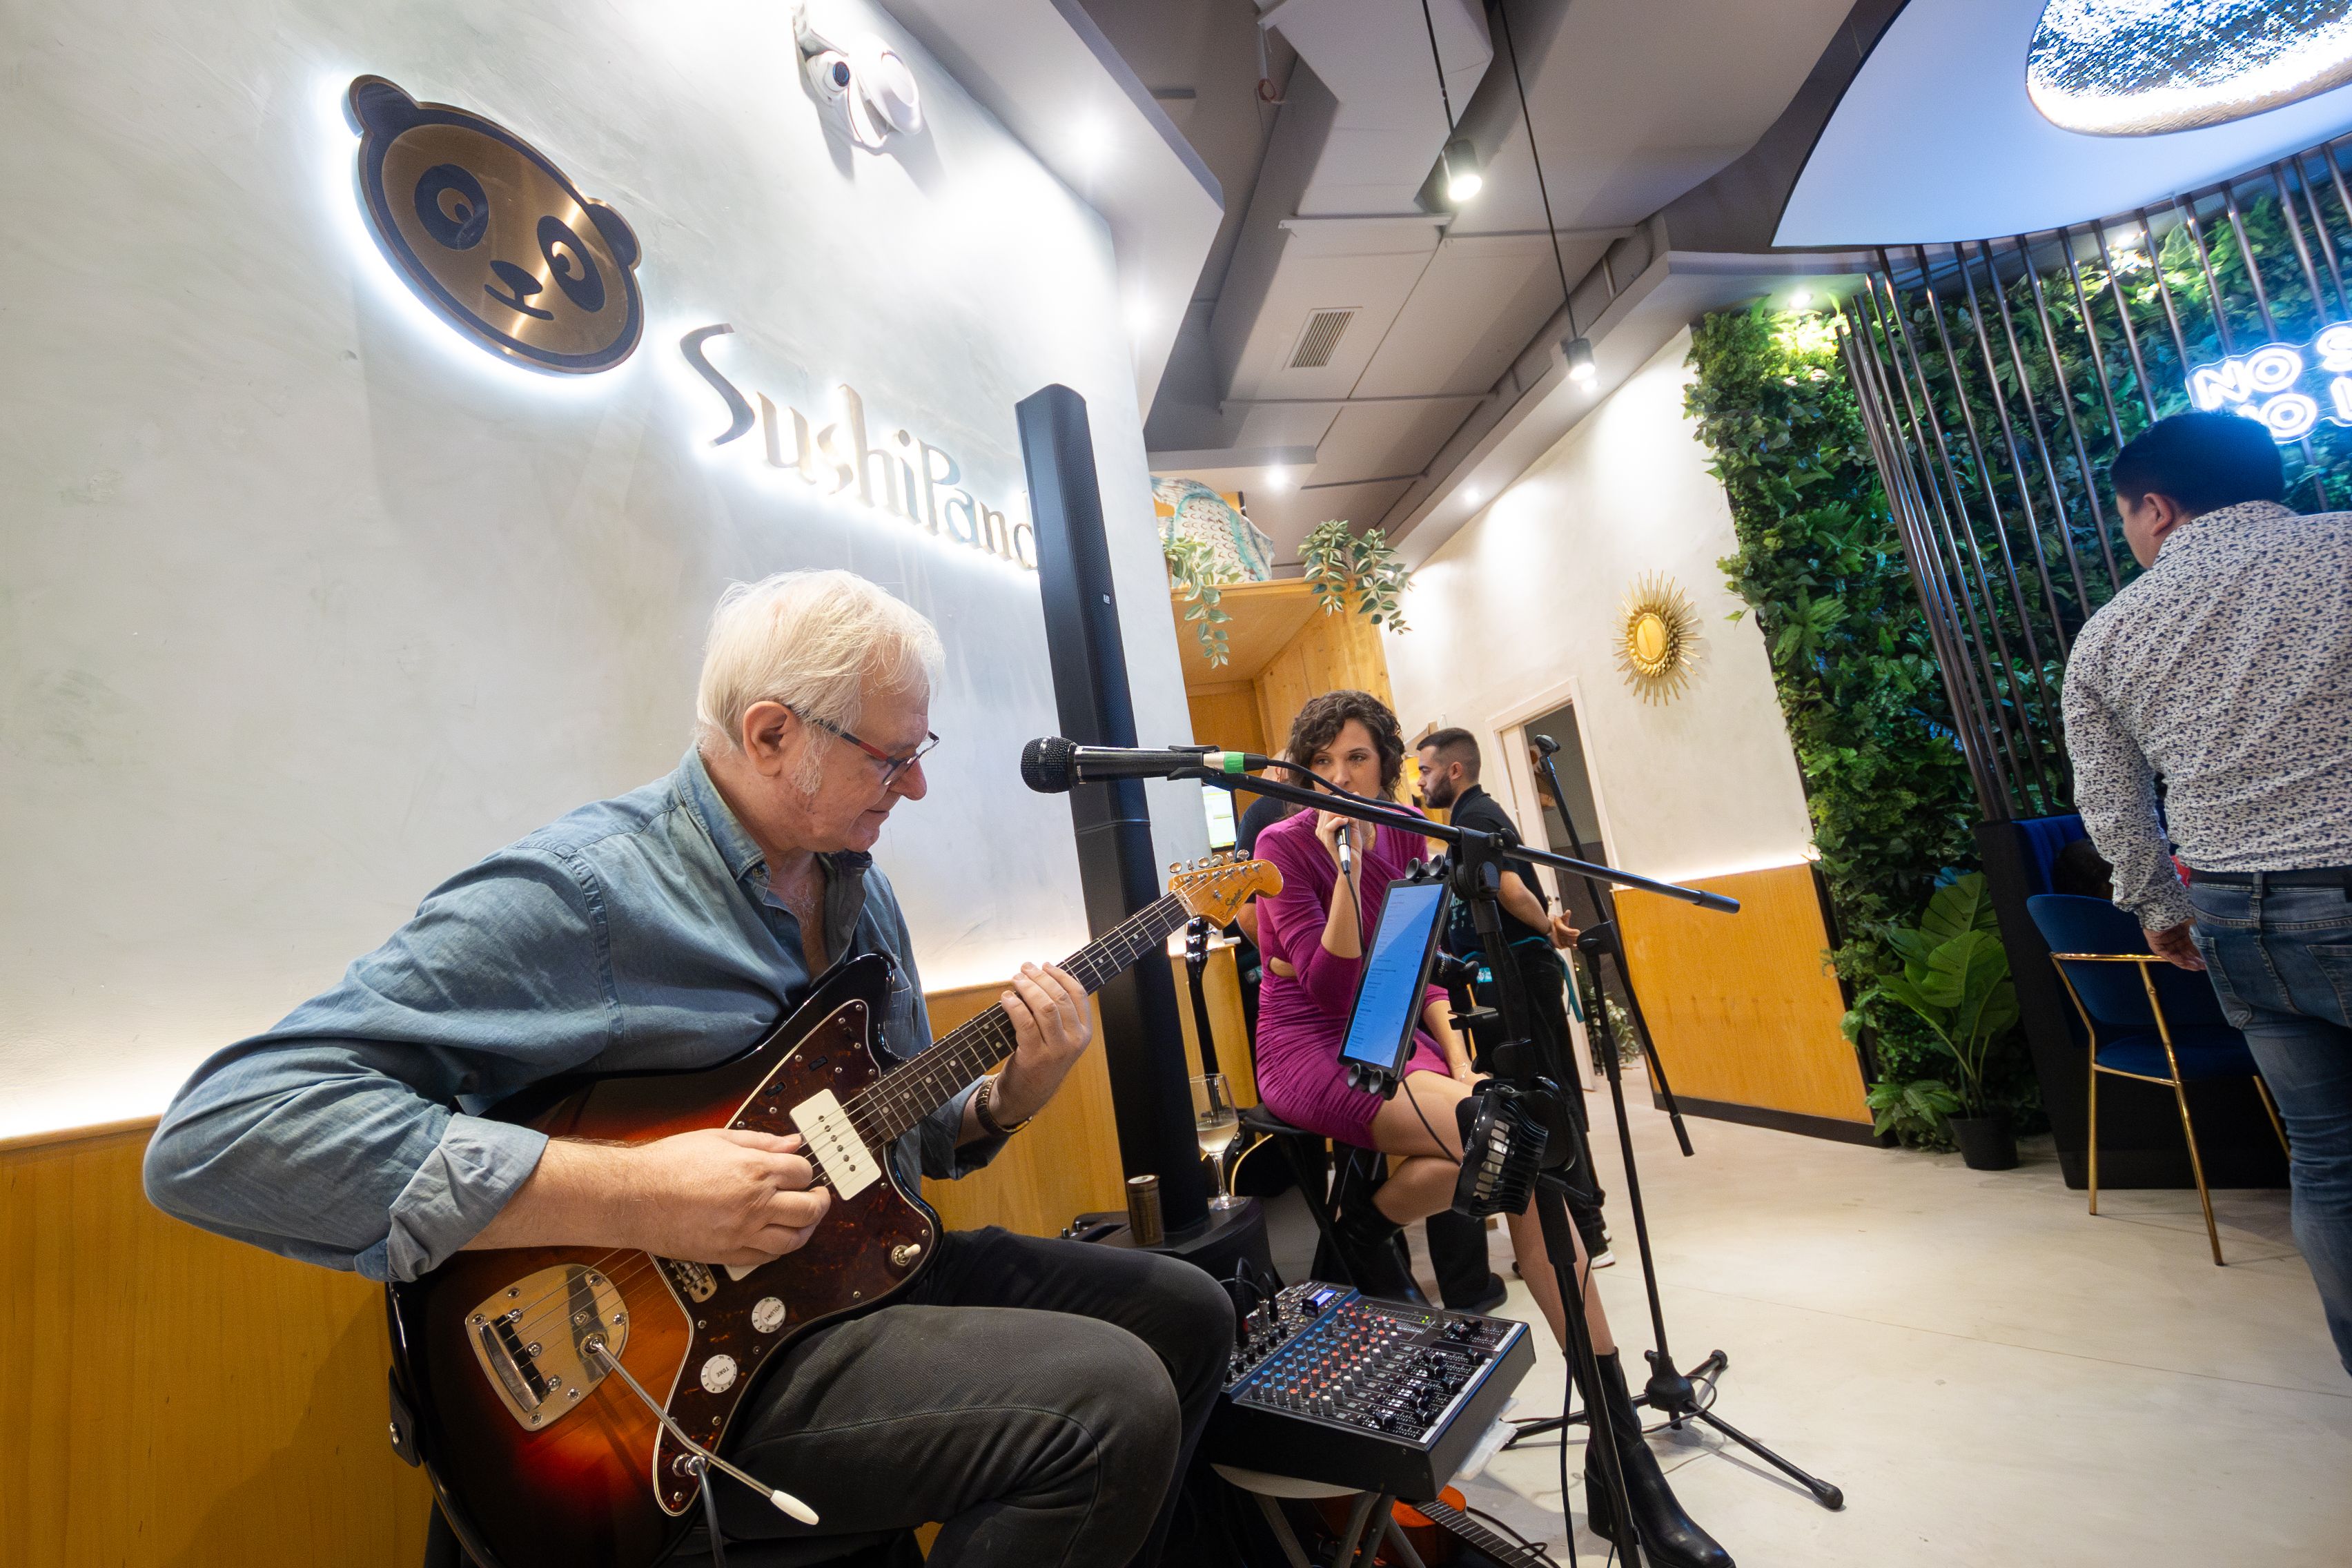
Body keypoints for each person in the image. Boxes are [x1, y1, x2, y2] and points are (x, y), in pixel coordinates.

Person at [142, 571, 1235, 1565]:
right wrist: (644, 1192)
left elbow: (885, 1142)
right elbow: (226, 1131)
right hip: (665, 1369)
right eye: (890, 760)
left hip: (845, 1277)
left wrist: (1003, 1098)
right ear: (770, 734)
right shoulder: (583, 895)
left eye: (921, 755)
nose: (915, 792)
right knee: (1107, 1404)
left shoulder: (862, 893)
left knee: (1189, 1312)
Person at [1250, 689, 1732, 1568]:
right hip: (1311, 1046)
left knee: (1516, 1152)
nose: (1337, 777)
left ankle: (1617, 1451)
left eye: (1355, 759)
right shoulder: (1283, 844)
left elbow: (1422, 968)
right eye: (1321, 763)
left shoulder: (1403, 827)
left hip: (1398, 1036)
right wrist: (1350, 871)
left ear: (1385, 764)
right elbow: (1325, 985)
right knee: (1512, 1144)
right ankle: (1621, 1469)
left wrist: (1455, 1059)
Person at [2061, 411, 2352, 1375]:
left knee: (2328, 1161)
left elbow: (2110, 799)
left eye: (2129, 521)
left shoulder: (2109, 635)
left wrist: (2159, 907)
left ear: (2158, 507)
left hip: (2235, 915)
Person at [1417, 727, 1614, 1269]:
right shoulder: (1470, 817)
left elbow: (1509, 887)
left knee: (1541, 1096)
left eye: (1426, 771)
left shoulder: (1476, 816)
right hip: (1508, 976)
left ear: (1454, 770)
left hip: (1517, 975)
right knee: (1539, 1093)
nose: (1420, 783)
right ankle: (1578, 1230)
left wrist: (1547, 927)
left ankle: (1586, 1232)